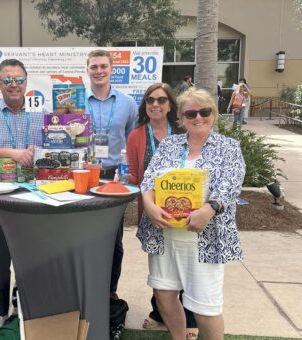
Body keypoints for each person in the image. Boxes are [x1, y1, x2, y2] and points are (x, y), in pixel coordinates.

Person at [139, 88, 245, 340]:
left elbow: (230, 185)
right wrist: (149, 205)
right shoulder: (169, 144)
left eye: (204, 111)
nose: (198, 117)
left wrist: (210, 210)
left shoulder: (228, 147)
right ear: (181, 118)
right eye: (191, 113)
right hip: (164, 235)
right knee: (164, 294)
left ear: (214, 113)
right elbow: (148, 181)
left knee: (206, 307)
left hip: (204, 237)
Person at [0, 58, 47, 337]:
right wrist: (14, 153)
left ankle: (26, 307)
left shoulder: (41, 114)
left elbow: (54, 144)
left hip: (34, 194)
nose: (13, 85)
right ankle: (0, 312)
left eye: (19, 80)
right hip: (0, 195)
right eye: (8, 80)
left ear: (26, 83)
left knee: (33, 255)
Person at [126, 83, 198, 339]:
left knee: (185, 267)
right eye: (150, 100)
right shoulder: (136, 135)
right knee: (160, 268)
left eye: (161, 100)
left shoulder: (183, 131)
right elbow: (135, 176)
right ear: (145, 105)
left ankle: (189, 318)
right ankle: (159, 315)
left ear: (170, 106)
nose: (155, 105)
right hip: (153, 213)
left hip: (186, 211)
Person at [86, 49, 138, 301]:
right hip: (82, 177)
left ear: (111, 69)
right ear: (88, 70)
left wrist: (127, 172)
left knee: (114, 240)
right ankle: (86, 287)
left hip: (114, 177)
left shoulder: (127, 103)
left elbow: (133, 140)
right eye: (94, 66)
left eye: (103, 66)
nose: (98, 71)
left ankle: (110, 291)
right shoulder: (75, 101)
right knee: (81, 235)